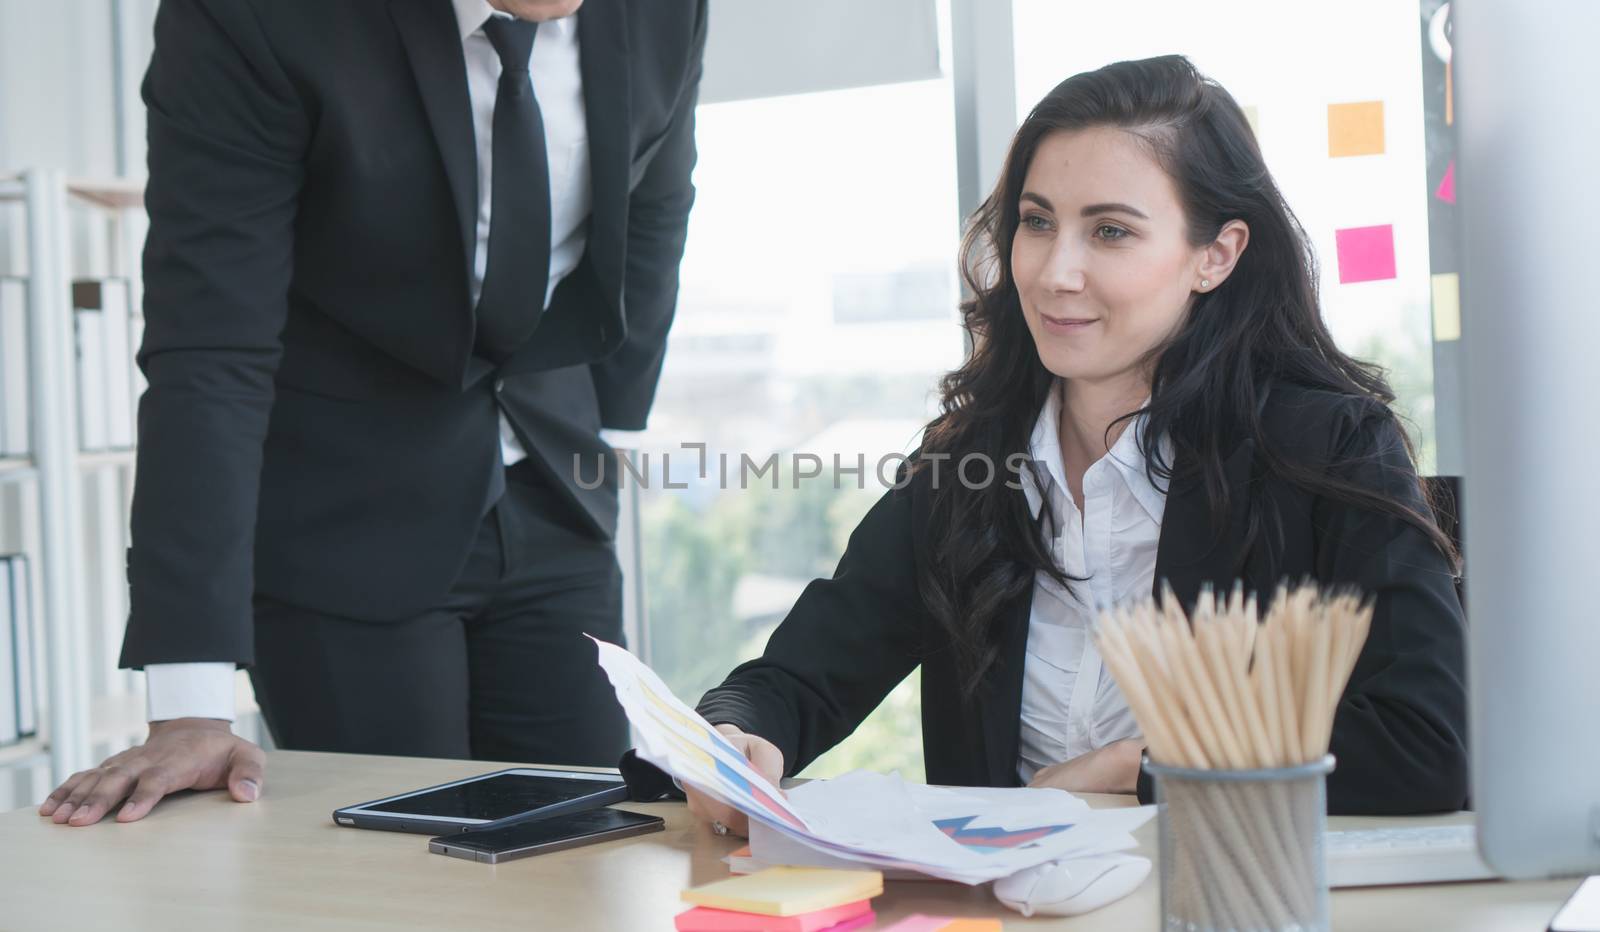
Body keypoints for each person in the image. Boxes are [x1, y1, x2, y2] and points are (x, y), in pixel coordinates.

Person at [685, 55, 1467, 834]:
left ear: (1215, 255)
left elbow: (1425, 745)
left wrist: (1148, 765)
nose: (1056, 271)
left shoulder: (1327, 447)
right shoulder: (971, 464)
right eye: (1037, 221)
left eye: (1111, 231)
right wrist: (734, 736)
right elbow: (792, 681)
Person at [40, 0, 707, 827]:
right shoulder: (250, 18)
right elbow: (211, 346)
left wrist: (612, 440)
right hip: (340, 512)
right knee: (399, 883)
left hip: (553, 484)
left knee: (586, 852)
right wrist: (191, 701)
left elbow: (656, 205)